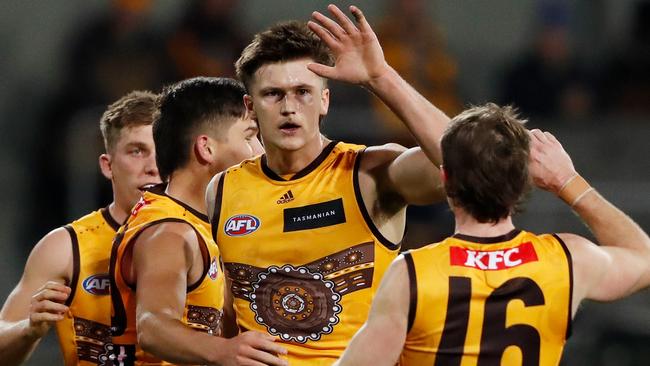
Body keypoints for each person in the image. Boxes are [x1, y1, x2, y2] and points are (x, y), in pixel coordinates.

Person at [206, 5, 449, 364]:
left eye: (303, 91)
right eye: (273, 94)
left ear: (324, 100)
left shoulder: (369, 173)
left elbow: (462, 164)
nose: (289, 107)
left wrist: (381, 77)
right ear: (250, 107)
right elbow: (228, 310)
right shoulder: (223, 189)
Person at [335, 103, 650, 365]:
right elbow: (644, 259)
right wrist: (567, 182)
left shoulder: (412, 274)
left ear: (444, 179)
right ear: (524, 181)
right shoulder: (569, 260)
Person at [109, 77, 287, 365]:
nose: (261, 152)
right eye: (249, 136)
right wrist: (225, 351)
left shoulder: (202, 222)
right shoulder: (169, 232)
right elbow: (153, 327)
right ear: (206, 149)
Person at [0, 90, 161, 365]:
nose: (153, 167)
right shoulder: (65, 247)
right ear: (107, 166)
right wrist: (29, 329)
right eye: (137, 151)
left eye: (163, 151)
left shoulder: (212, 238)